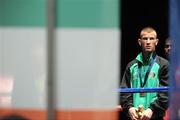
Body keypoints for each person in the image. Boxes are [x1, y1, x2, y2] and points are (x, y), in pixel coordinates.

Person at [120, 26, 169, 120]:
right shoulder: (131, 66)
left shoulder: (164, 65)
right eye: (145, 38)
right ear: (139, 42)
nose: (148, 42)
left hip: (155, 117)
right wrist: (130, 108)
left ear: (156, 42)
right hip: (134, 117)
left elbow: (166, 94)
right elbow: (124, 91)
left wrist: (152, 110)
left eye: (151, 39)